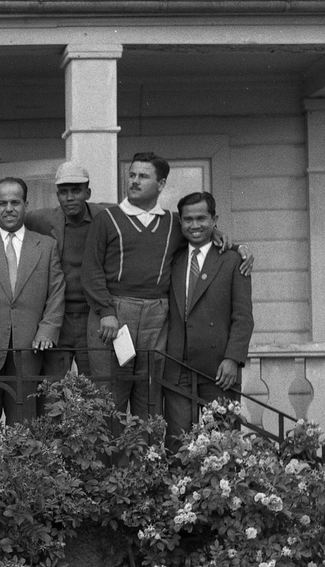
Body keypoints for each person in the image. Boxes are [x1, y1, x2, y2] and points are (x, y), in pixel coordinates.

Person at [82, 152, 251, 418]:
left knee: (149, 396)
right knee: (109, 397)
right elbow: (91, 271)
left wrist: (235, 245)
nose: (134, 181)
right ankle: (109, 448)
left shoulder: (172, 223)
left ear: (161, 184)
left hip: (156, 316)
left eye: (143, 176)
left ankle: (145, 448)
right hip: (114, 316)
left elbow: (201, 235)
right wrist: (106, 312)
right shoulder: (107, 219)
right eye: (132, 175)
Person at [0, 178, 64, 431]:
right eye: (2, 203)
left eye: (15, 202)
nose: (9, 209)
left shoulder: (46, 245)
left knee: (24, 427)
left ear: (26, 205)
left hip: (30, 347)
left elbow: (56, 293)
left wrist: (47, 331)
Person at [163, 192, 253, 443]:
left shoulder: (233, 260)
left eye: (201, 218)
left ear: (215, 220)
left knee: (221, 444)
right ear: (180, 222)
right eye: (188, 219)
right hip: (177, 367)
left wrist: (233, 359)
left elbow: (243, 317)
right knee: (179, 443)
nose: (194, 225)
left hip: (218, 368)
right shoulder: (173, 259)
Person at [24, 161, 111, 380]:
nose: (69, 197)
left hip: (92, 316)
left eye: (76, 191)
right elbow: (2, 222)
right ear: (57, 195)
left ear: (87, 193)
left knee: (95, 385)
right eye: (63, 192)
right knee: (53, 386)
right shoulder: (41, 220)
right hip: (57, 317)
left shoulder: (107, 217)